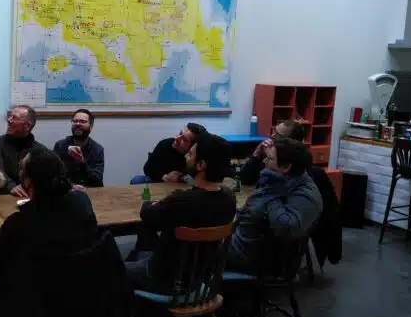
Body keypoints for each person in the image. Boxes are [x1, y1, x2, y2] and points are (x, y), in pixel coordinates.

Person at [0, 147, 100, 313]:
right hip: (75, 292)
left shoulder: (18, 224)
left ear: (27, 181)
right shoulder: (82, 203)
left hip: (23, 299)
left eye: (21, 167)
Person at [125, 133, 237, 294]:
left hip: (164, 280)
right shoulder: (229, 199)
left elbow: (147, 214)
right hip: (199, 279)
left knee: (108, 268)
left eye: (190, 154)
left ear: (201, 165)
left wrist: (154, 203)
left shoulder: (183, 200)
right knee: (143, 251)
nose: (185, 156)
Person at [226, 137, 323, 275]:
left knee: (197, 246)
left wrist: (271, 191)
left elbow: (285, 228)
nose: (264, 162)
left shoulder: (304, 194)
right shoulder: (282, 178)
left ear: (286, 167)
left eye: (269, 158)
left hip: (254, 259)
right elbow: (247, 182)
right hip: (244, 243)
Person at [0, 105, 47, 198]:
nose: (9, 120)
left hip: (29, 198)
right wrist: (11, 186)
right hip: (0, 196)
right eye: (10, 116)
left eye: (14, 118)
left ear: (27, 126)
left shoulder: (40, 150)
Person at [239, 119, 305, 187]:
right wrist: (257, 154)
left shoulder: (292, 163)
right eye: (274, 130)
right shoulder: (272, 151)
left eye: (279, 135)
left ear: (291, 142)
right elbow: (245, 179)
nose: (272, 135)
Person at [138, 123, 207, 184]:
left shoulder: (197, 157)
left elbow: (198, 182)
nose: (177, 139)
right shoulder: (166, 144)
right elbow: (147, 168)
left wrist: (182, 177)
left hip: (182, 185)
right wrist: (164, 177)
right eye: (180, 133)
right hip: (159, 180)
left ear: (193, 146)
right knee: (137, 180)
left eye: (184, 139)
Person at [53, 108, 104, 188]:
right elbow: (53, 176)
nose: (78, 124)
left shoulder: (97, 149)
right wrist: (70, 186)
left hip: (89, 190)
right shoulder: (60, 146)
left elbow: (97, 181)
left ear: (90, 127)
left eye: (82, 122)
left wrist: (82, 162)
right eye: (75, 121)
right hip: (66, 190)